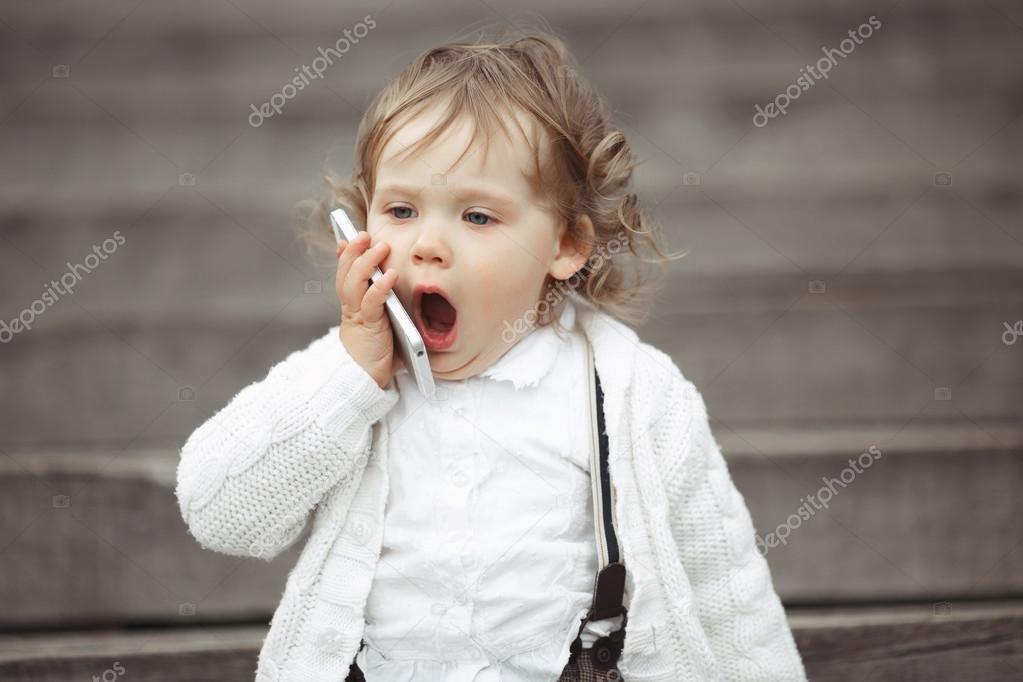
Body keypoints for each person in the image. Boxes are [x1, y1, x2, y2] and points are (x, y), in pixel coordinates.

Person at [175, 29, 806, 682]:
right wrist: (348, 375)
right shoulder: (344, 378)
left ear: (564, 243)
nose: (426, 244)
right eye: (399, 209)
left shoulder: (634, 391)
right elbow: (219, 512)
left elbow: (729, 592)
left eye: (476, 216)